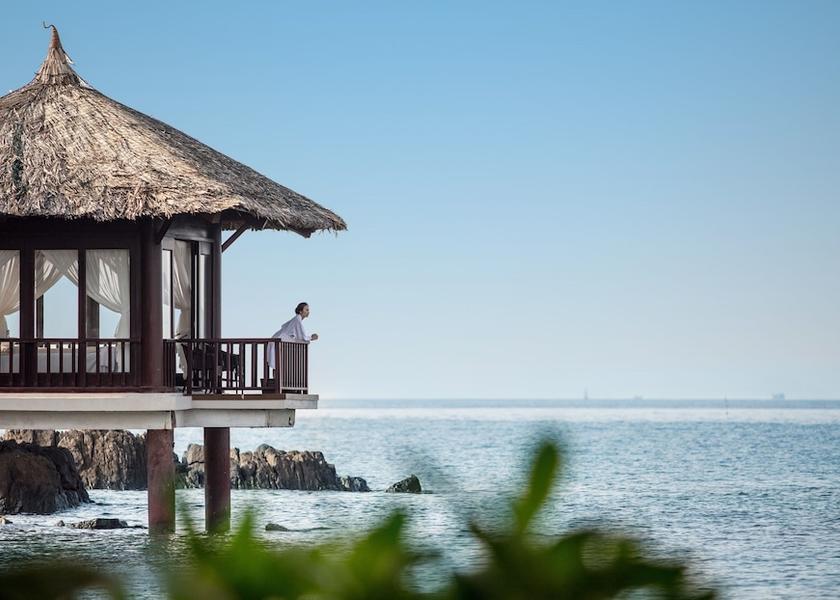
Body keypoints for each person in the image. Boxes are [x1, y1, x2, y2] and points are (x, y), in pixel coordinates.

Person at [266, 302, 318, 369]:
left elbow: (298, 335)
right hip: (278, 339)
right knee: (277, 361)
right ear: (300, 311)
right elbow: (302, 337)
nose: (308, 312)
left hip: (278, 339)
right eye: (306, 310)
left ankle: (277, 371)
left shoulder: (297, 319)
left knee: (278, 360)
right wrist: (311, 337)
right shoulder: (297, 319)